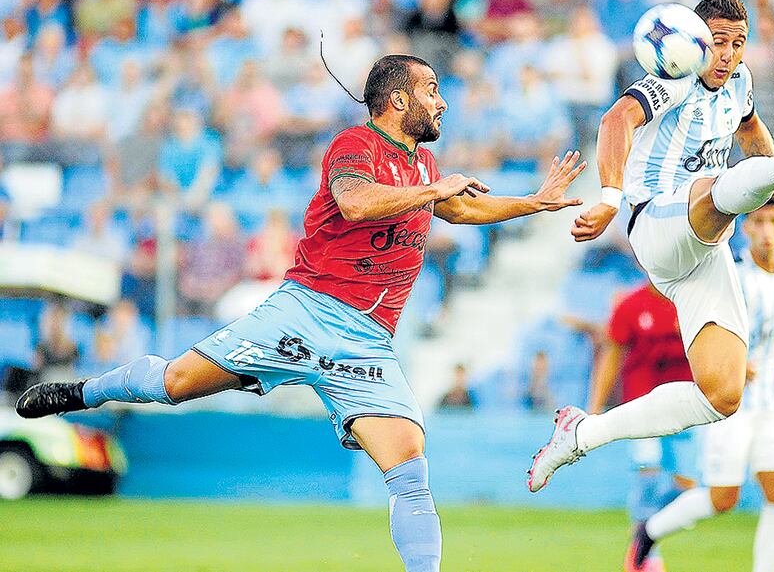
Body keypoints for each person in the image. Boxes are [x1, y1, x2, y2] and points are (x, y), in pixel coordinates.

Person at [16, 54, 586, 572]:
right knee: (174, 383)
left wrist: (533, 202)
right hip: (305, 312)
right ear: (398, 100)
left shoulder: (424, 164)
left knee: (410, 465)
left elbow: (460, 210)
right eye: (432, 88)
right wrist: (436, 191)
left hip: (367, 342)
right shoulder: (354, 145)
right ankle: (85, 392)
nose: (442, 100)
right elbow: (355, 202)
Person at [526, 0, 774, 493]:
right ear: (696, 41)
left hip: (702, 249)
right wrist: (610, 198)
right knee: (712, 190)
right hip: (653, 222)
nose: (727, 54)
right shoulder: (672, 80)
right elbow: (615, 120)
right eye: (718, 42)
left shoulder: (739, 83)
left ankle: (581, 434)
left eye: (738, 43)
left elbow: (750, 129)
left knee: (722, 394)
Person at [627, 199, 774, 572]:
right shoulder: (734, 277)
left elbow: (768, 338)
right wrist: (733, 363)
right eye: (758, 222)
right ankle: (650, 531)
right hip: (732, 403)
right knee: (723, 497)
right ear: (746, 228)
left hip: (772, 402)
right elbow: (699, 323)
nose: (766, 230)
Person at [587, 281, 694, 572]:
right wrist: (595, 405)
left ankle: (644, 532)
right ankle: (647, 554)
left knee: (689, 486)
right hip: (641, 410)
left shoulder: (692, 301)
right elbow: (611, 356)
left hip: (687, 409)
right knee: (648, 475)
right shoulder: (631, 304)